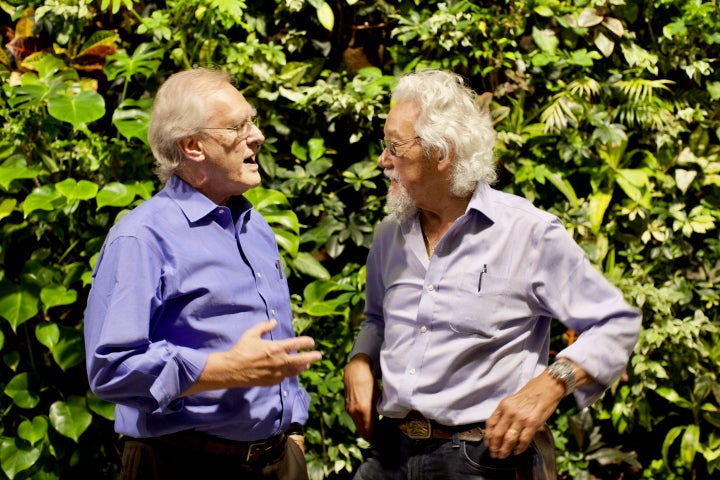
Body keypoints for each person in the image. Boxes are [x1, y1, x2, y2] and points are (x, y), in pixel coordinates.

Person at [343, 69, 642, 479]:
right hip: (388, 454)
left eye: (394, 146)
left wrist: (552, 384)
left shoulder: (528, 232)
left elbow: (616, 323)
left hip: (480, 460)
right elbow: (377, 318)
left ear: (440, 151)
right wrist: (360, 359)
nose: (383, 160)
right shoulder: (388, 236)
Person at [84, 67, 322, 480]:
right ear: (192, 146)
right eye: (237, 126)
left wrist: (292, 433)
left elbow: (268, 349)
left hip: (278, 461)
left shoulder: (254, 225)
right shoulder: (141, 238)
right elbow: (111, 368)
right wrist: (223, 369)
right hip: (183, 463)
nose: (257, 136)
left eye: (252, 121)